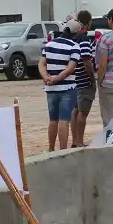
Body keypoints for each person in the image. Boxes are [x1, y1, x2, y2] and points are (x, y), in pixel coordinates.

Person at [41, 20, 81, 151]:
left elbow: (41, 63)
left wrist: (46, 77)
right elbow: (70, 69)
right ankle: (62, 151)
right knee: (64, 120)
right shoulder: (74, 46)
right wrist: (56, 79)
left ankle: (51, 149)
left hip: (51, 88)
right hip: (67, 88)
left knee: (53, 120)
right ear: (76, 33)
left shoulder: (49, 44)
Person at [69, 10, 96, 148]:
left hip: (74, 79)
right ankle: (79, 141)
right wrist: (92, 78)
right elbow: (87, 61)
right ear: (89, 22)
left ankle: (75, 140)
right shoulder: (84, 39)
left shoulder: (73, 38)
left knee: (75, 111)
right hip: (83, 80)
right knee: (82, 112)